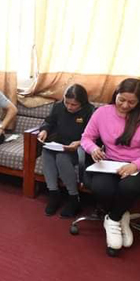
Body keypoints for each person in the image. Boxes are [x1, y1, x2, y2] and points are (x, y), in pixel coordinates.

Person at [80, 78, 140, 253]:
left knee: (128, 186)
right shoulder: (102, 113)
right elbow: (86, 138)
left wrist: (135, 165)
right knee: (102, 188)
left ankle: (112, 219)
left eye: (131, 102)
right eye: (122, 100)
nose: (125, 105)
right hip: (111, 163)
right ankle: (122, 216)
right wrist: (93, 148)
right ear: (115, 95)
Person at [36, 84, 94, 218]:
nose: (69, 107)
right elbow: (48, 122)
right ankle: (53, 193)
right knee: (46, 152)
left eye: (74, 105)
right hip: (59, 143)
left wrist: (79, 142)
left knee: (62, 157)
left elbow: (94, 135)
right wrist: (44, 131)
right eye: (67, 103)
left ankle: (74, 197)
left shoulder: (90, 111)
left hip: (78, 148)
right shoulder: (58, 106)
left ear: (82, 103)